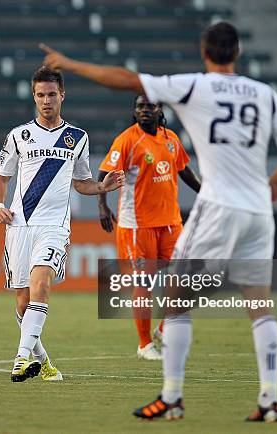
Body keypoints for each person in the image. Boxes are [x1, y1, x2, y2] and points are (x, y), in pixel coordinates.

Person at [41, 21, 277, 422]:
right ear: (238, 53)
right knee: (259, 304)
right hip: (258, 211)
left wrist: (70, 65)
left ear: (205, 51)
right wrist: (276, 182)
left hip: (218, 207)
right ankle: (269, 399)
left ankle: (171, 396)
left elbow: (127, 80)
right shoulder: (264, 93)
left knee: (177, 299)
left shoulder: (195, 87)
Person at [0, 66, 125, 382]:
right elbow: (0, 180)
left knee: (42, 284)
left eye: (52, 94)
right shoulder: (18, 135)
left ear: (62, 95)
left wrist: (103, 187)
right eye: (41, 95)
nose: (46, 101)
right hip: (19, 226)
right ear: (34, 97)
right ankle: (45, 363)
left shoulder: (77, 138)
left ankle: (20, 359)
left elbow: (82, 183)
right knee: (23, 302)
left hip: (54, 226)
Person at [98, 96, 200, 361]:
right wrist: (102, 206)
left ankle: (164, 329)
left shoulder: (171, 138)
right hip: (137, 225)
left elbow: (183, 170)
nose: (145, 111)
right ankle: (144, 344)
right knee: (144, 283)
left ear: (160, 109)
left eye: (150, 106)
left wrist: (205, 192)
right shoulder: (127, 140)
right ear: (135, 111)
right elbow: (104, 175)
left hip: (170, 222)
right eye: (140, 107)